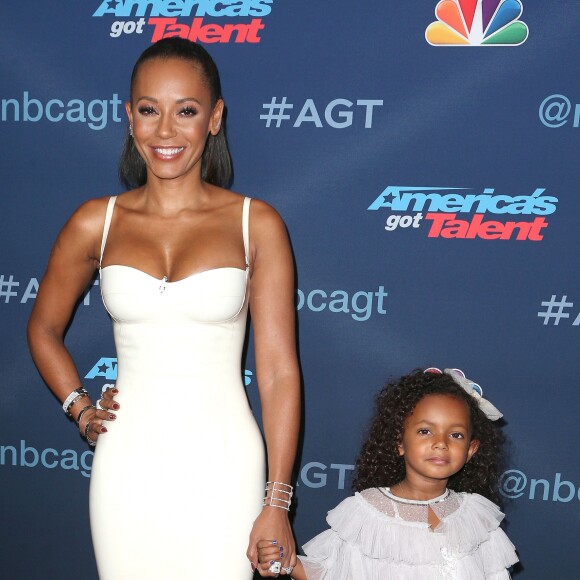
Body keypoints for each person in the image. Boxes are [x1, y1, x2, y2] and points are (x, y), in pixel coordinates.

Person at [27, 37, 300, 579]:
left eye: (187, 111)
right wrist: (80, 407)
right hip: (126, 461)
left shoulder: (256, 224)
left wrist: (277, 501)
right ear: (129, 117)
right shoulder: (95, 222)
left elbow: (276, 373)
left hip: (224, 460)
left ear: (215, 118)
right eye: (149, 110)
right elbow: (42, 328)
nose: (166, 131)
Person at [257, 368, 519, 579]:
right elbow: (327, 572)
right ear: (399, 442)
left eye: (456, 435)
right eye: (425, 431)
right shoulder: (366, 512)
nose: (441, 443)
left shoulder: (476, 518)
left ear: (471, 450)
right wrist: (283, 561)